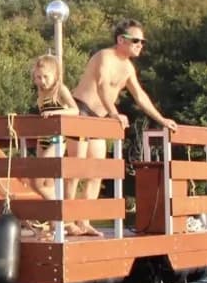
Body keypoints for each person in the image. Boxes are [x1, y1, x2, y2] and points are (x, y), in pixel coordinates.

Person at [69, 19, 178, 236]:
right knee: (75, 170)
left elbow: (140, 96)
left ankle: (83, 221)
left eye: (142, 42)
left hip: (99, 118)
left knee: (96, 172)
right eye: (136, 40)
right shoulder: (104, 57)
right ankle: (66, 220)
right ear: (121, 40)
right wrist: (114, 113)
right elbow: (101, 86)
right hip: (81, 111)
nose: (140, 45)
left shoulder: (128, 68)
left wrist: (162, 119)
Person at [26, 54, 86, 237]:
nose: (42, 81)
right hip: (43, 138)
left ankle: (63, 219)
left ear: (55, 75)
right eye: (38, 77)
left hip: (57, 139)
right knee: (37, 183)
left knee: (43, 173)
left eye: (45, 77)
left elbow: (75, 110)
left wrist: (56, 112)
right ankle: (57, 220)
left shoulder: (60, 90)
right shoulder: (40, 93)